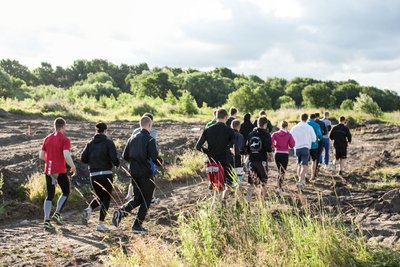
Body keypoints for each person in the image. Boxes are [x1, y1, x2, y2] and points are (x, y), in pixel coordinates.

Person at [112, 116, 161, 234]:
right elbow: (155, 158)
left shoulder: (132, 138)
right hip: (145, 174)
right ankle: (137, 226)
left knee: (137, 198)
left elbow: (125, 156)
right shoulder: (150, 139)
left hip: (134, 173)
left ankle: (121, 212)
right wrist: (161, 163)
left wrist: (135, 163)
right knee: (147, 199)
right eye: (151, 125)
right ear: (149, 125)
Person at [80, 122, 120, 232]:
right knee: (106, 198)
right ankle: (100, 224)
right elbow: (114, 158)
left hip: (93, 175)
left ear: (96, 130)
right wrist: (117, 163)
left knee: (99, 197)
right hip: (106, 174)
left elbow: (83, 158)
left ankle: (89, 210)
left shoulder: (90, 143)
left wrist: (92, 162)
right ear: (105, 130)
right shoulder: (108, 142)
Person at [39, 117, 76, 230]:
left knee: (49, 195)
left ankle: (46, 220)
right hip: (59, 170)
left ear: (54, 126)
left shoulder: (47, 138)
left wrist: (50, 161)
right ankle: (57, 213)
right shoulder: (65, 139)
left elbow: (41, 156)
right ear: (63, 126)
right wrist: (73, 166)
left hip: (48, 170)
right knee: (66, 191)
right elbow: (66, 155)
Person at [195, 109, 235, 195]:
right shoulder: (230, 131)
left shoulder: (208, 129)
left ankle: (216, 204)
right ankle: (222, 204)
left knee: (215, 187)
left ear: (216, 117)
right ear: (226, 118)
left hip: (211, 161)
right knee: (226, 186)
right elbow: (234, 147)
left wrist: (209, 152)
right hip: (225, 161)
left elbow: (197, 146)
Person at [127, 113, 159, 206]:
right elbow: (152, 145)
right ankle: (151, 198)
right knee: (152, 177)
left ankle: (129, 195)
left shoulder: (135, 131)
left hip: (134, 158)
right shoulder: (153, 131)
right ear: (150, 122)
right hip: (146, 158)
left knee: (134, 179)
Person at [246, 116, 273, 202]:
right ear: (265, 124)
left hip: (252, 161)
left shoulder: (250, 134)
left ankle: (247, 203)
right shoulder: (266, 134)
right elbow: (269, 149)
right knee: (263, 183)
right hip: (262, 162)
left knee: (251, 184)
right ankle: (262, 204)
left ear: (257, 123)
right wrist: (270, 157)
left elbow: (247, 148)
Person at [290, 114, 316, 191]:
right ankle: (301, 181)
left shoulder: (294, 128)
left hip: (297, 148)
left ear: (300, 118)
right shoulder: (309, 128)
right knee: (304, 165)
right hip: (305, 148)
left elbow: (291, 137)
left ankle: (301, 180)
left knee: (299, 164)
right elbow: (314, 139)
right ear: (307, 119)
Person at [271, 121, 295, 194]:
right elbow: (292, 145)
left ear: (280, 126)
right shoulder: (289, 135)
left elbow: (270, 143)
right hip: (284, 154)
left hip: (277, 153)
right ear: (287, 126)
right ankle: (280, 187)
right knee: (283, 171)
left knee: (279, 170)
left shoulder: (275, 134)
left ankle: (278, 186)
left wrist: (275, 146)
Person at [307, 114, 323, 180]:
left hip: (306, 145)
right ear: (315, 118)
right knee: (314, 160)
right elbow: (319, 135)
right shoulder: (316, 125)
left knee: (306, 161)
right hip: (314, 145)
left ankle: (305, 175)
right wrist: (320, 139)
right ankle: (312, 175)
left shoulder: (306, 124)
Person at [230, 119, 245, 184]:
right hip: (237, 156)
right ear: (239, 127)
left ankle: (230, 185)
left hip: (228, 157)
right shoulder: (240, 136)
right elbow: (241, 147)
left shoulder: (228, 134)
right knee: (239, 173)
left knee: (230, 172)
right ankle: (238, 186)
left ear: (231, 126)